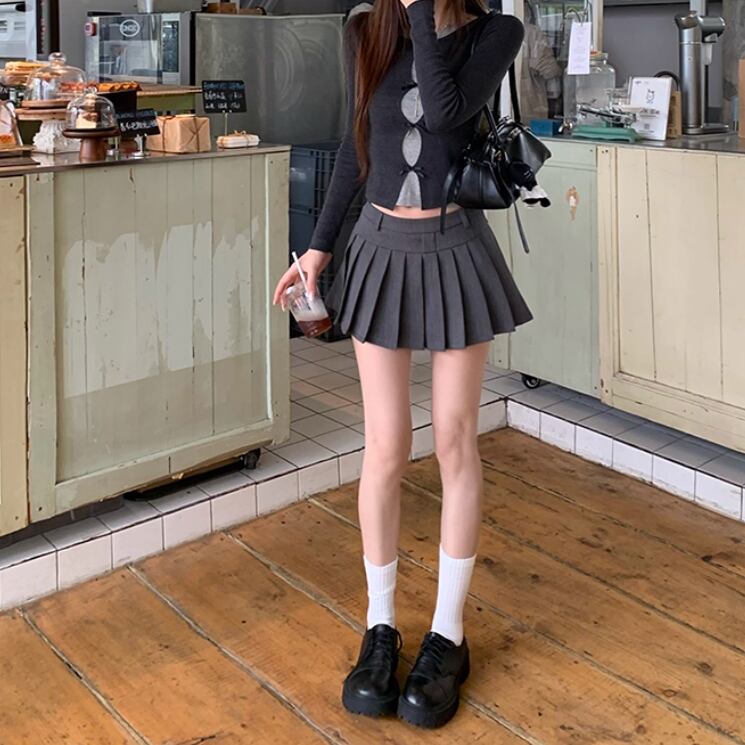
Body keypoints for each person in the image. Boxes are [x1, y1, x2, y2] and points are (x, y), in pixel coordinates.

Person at [272, 0, 530, 730]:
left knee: (454, 439)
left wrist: (418, 12)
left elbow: (445, 115)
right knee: (385, 445)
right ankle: (379, 625)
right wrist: (317, 250)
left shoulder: (496, 32)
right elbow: (356, 146)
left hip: (456, 249)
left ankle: (448, 634)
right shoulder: (364, 31)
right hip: (379, 250)